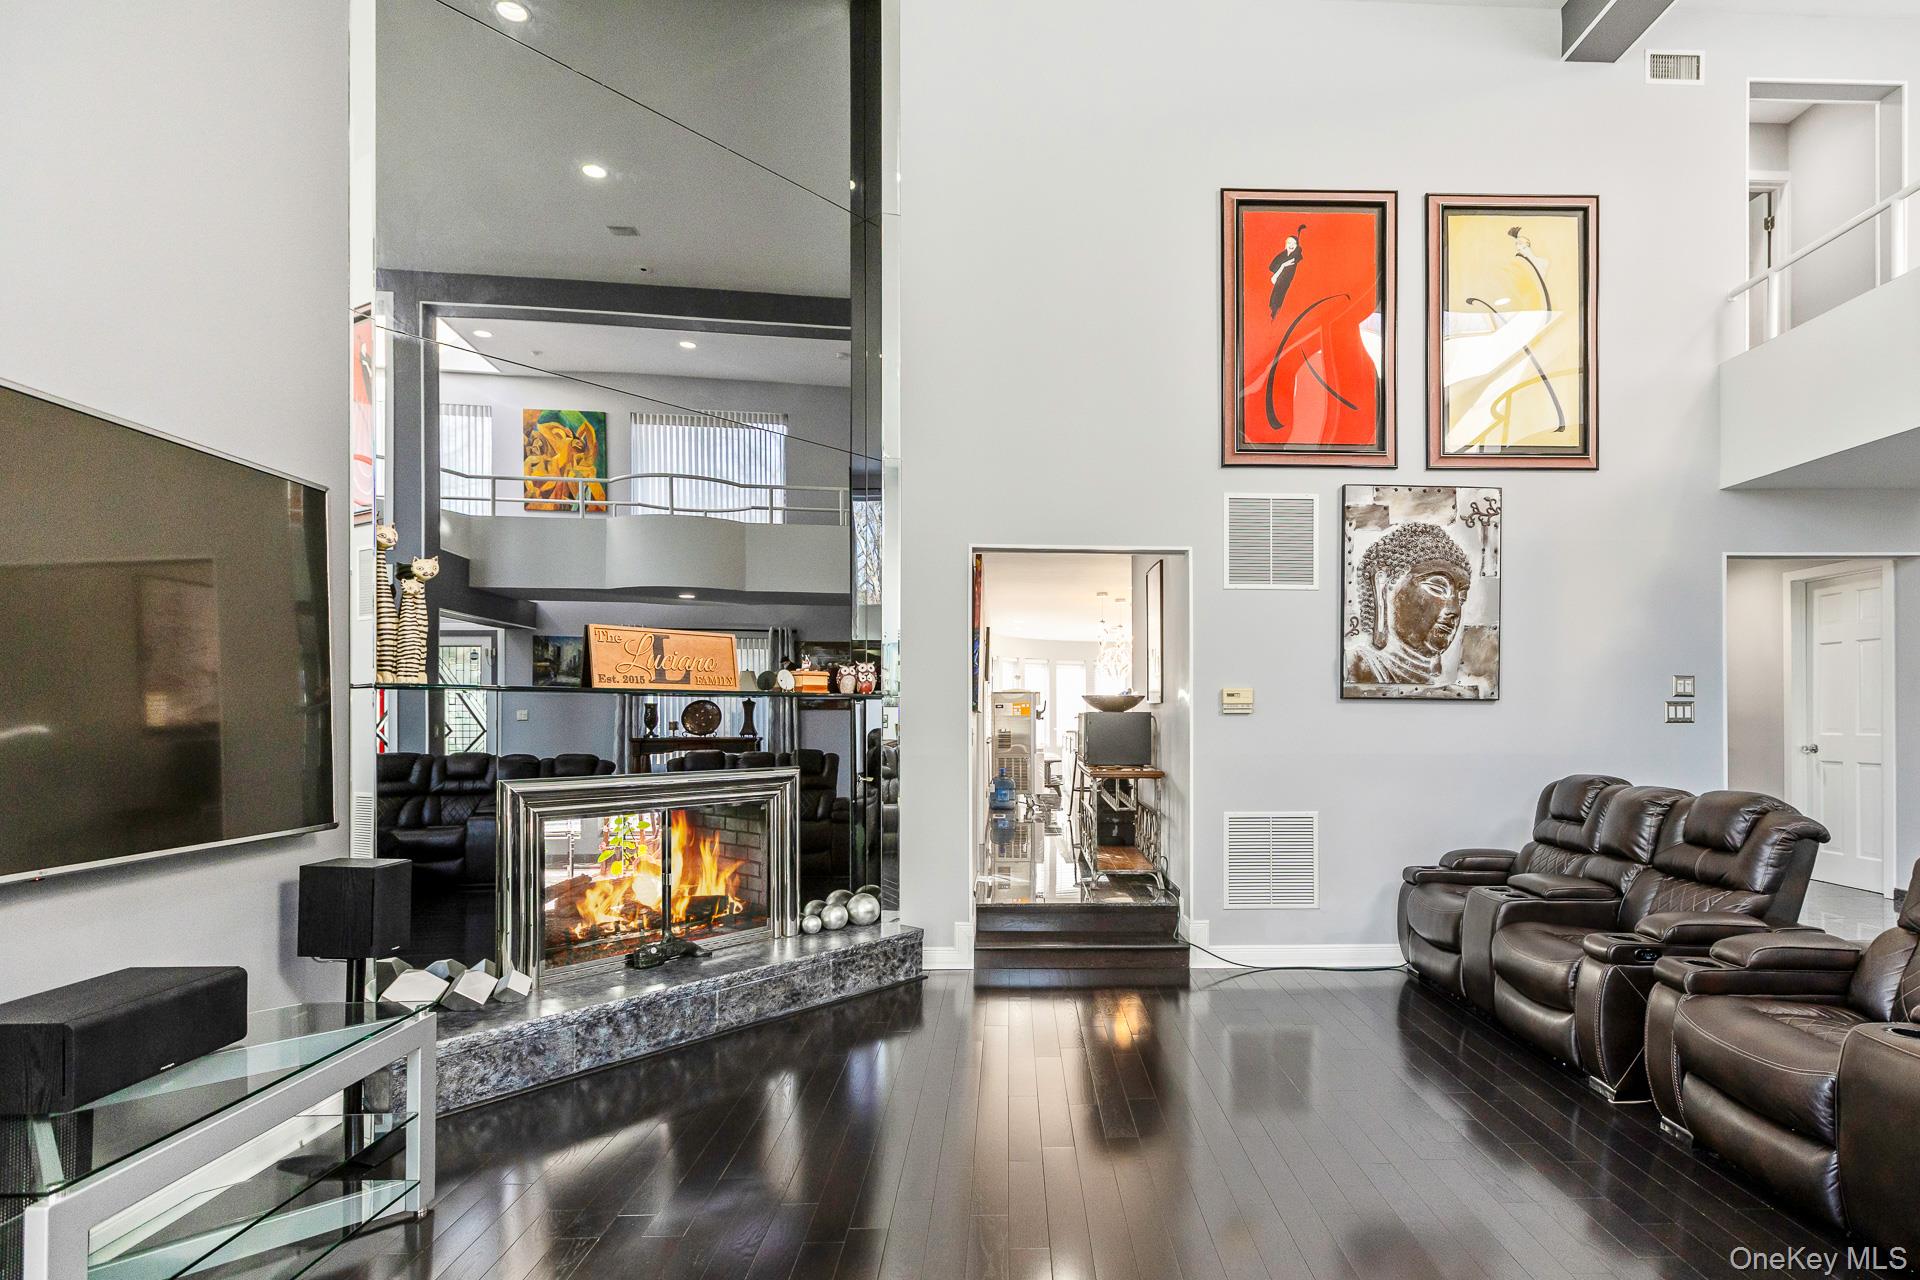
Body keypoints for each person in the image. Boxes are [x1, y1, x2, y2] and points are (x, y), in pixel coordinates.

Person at [1344, 523, 1472, 687]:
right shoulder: (1356, 668)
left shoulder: (1445, 689)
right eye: (1437, 588)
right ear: (1381, 586)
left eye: (1462, 598)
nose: (1454, 610)